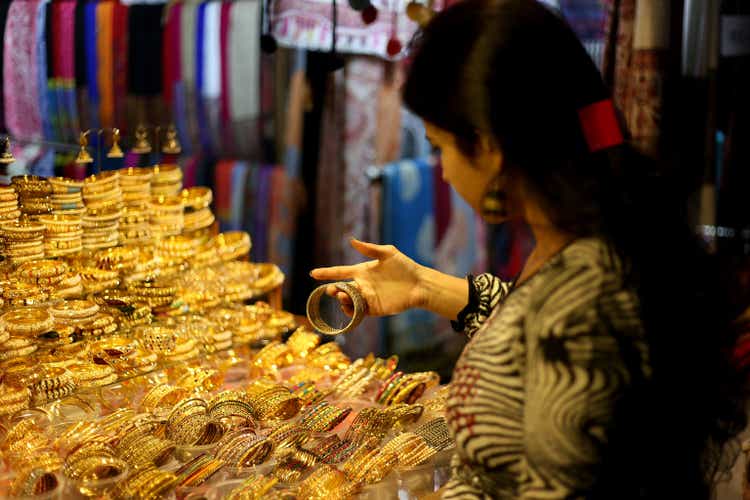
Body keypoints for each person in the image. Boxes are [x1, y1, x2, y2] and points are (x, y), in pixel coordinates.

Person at [312, 0, 747, 498]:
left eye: (441, 147)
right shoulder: (588, 242)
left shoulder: (591, 302)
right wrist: (424, 286)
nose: (444, 170)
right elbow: (530, 319)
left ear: (491, 146)